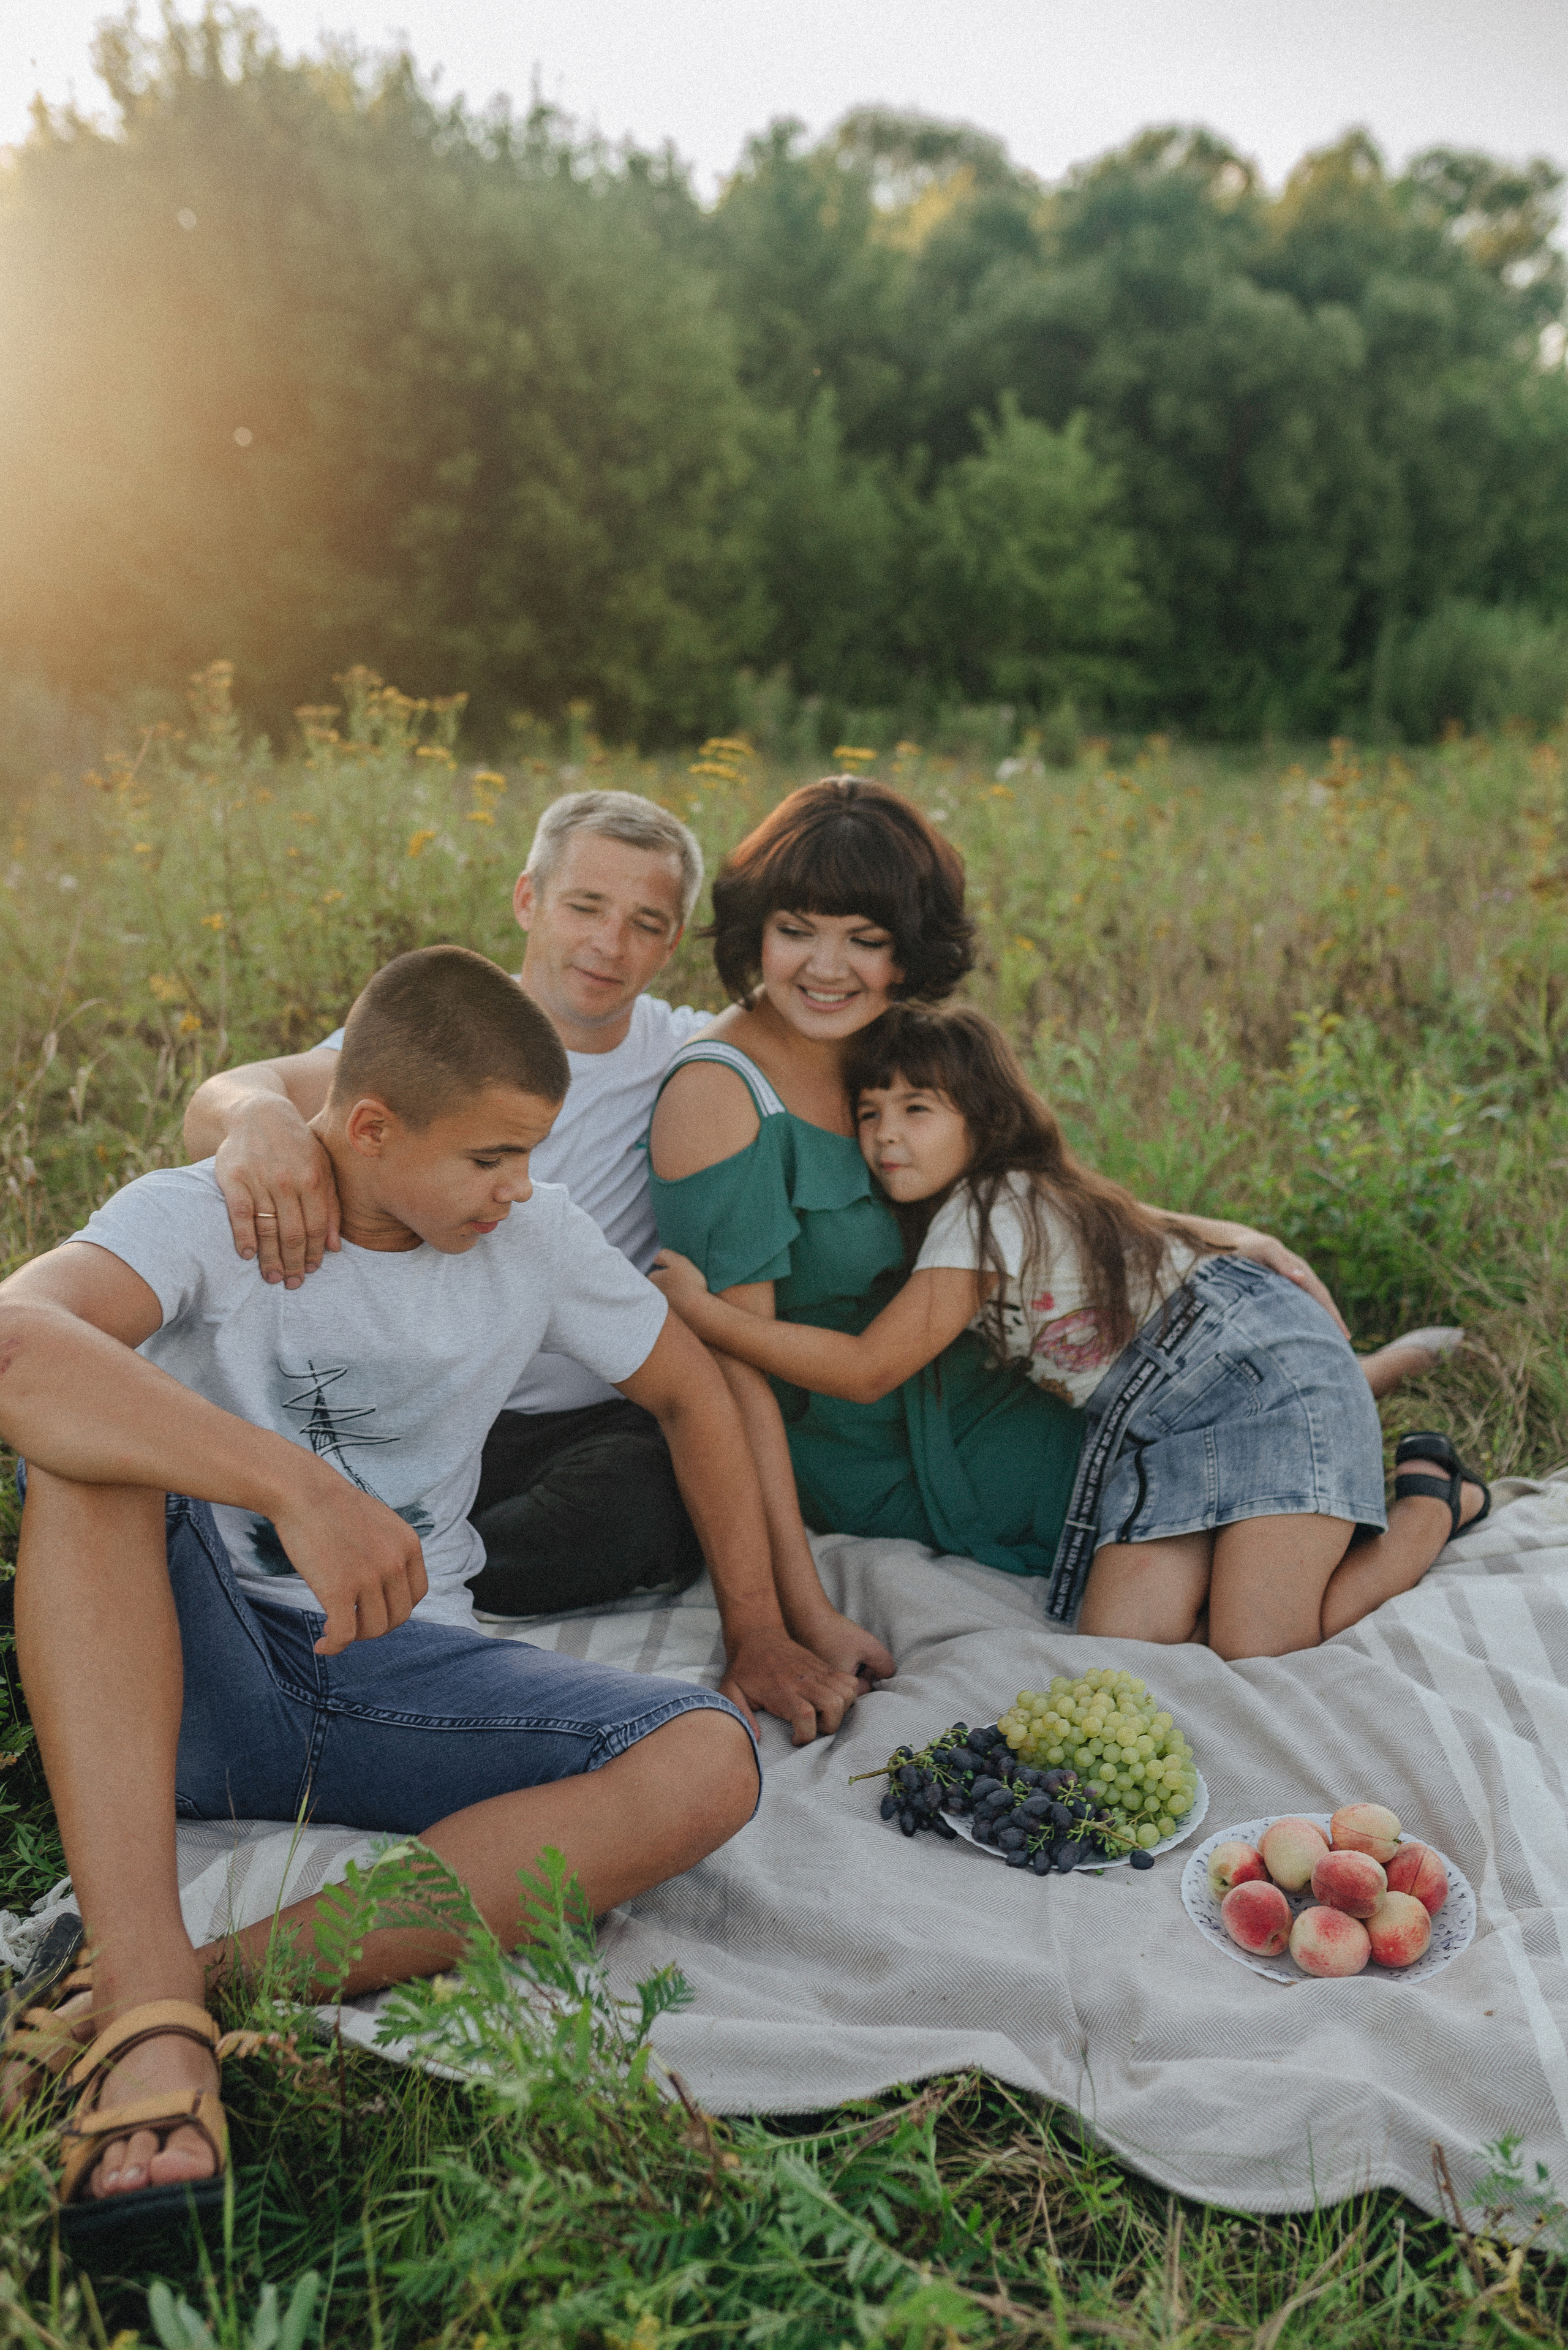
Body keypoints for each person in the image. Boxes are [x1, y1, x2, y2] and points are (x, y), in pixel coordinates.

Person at [0, 946, 859, 2235]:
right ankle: (146, 2012)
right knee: (89, 1448)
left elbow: (690, 1390)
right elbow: (16, 1343)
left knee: (706, 1759)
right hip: (178, 1660)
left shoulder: (536, 1233)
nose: (520, 1187)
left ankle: (184, 1979)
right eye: (490, 1157)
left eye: (533, 1153)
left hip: (391, 1674)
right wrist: (301, 1489)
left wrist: (754, 1626)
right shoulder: (209, 1211)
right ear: (368, 1128)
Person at [646, 776, 1461, 1638]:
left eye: (866, 940)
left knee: (1238, 1564)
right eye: (795, 931)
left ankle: (1369, 1413)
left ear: (908, 951)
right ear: (756, 928)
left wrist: (1215, 1232)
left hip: (1055, 1374)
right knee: (1158, 1611)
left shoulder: (879, 1034)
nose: (826, 967)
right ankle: (1355, 1396)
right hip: (921, 1432)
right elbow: (732, 1376)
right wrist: (787, 1617)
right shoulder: (721, 1093)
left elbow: (1022, 1187)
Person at [654, 1001, 1489, 1660]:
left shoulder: (989, 1208)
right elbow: (1138, 1225)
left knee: (1259, 1647)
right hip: (1153, 1427)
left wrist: (703, 1313)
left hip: (1256, 1376)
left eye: (917, 1108)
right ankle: (1351, 1400)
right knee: (1123, 1642)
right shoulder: (993, 1204)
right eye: (869, 1114)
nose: (886, 1135)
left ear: (982, 1118)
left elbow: (870, 1368)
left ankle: (1432, 1501)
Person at [184, 791, 718, 1618]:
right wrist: (254, 1115)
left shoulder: (690, 1052)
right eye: (584, 906)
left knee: (644, 1503)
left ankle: (416, 1565)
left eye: (645, 923)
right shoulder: (449, 1032)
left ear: (673, 941)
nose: (609, 944)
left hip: (570, 1422)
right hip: (407, 1394)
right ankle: (370, 1552)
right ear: (528, 899)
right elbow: (229, 1097)